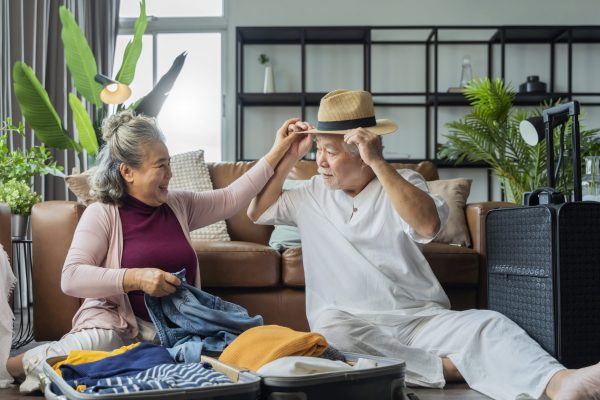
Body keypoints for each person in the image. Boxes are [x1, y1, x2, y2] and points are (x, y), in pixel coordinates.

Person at [248, 89, 600, 400]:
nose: (320, 161)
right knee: (330, 331)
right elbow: (256, 211)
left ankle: (561, 382)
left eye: (330, 151)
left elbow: (428, 224)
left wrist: (378, 162)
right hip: (355, 325)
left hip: (420, 319)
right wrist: (287, 154)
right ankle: (448, 369)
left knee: (488, 323)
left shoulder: (405, 182)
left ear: (362, 150)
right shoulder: (310, 194)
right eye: (318, 150)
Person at [3, 110, 308, 393]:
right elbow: (70, 278)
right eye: (160, 166)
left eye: (169, 163)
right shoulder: (103, 214)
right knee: (77, 355)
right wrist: (135, 278)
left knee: (241, 354)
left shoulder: (178, 204)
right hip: (118, 328)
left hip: (179, 330)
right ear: (127, 171)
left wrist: (281, 150)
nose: (170, 174)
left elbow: (231, 198)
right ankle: (11, 366)